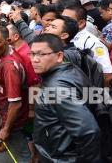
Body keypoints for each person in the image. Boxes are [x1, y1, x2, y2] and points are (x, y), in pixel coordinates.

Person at [30, 34, 101, 162]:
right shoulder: (70, 70)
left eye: (41, 54)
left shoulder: (56, 88)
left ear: (59, 56)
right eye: (32, 54)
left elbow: (88, 131)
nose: (35, 59)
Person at [0, 26, 31, 161]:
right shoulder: (0, 55)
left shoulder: (9, 67)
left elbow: (15, 103)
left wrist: (6, 129)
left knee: (22, 156)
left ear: (7, 41)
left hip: (12, 120)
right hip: (6, 114)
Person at [65, 5, 112, 86]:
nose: (62, 22)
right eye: (61, 18)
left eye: (67, 20)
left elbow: (107, 75)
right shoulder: (62, 38)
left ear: (81, 23)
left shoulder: (93, 43)